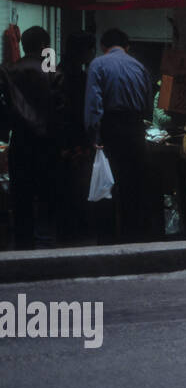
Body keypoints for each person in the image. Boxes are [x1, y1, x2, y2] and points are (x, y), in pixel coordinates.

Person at [84, 28, 153, 244]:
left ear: (103, 46)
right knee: (133, 184)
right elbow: (148, 104)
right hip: (135, 129)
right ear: (127, 46)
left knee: (107, 184)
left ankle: (107, 238)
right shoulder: (139, 66)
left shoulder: (97, 64)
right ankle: (133, 235)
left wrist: (94, 135)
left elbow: (94, 104)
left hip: (110, 129)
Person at [0, 27, 63, 248]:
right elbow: (60, 105)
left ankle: (23, 244)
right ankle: (47, 242)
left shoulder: (9, 69)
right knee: (47, 194)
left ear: (24, 45)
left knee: (21, 197)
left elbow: (4, 108)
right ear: (45, 46)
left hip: (21, 141)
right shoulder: (51, 68)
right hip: (48, 142)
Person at [55, 31, 97, 243]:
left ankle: (66, 231)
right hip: (77, 142)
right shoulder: (79, 78)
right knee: (78, 189)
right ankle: (76, 233)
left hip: (61, 142)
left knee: (65, 189)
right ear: (84, 52)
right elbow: (84, 112)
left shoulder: (57, 72)